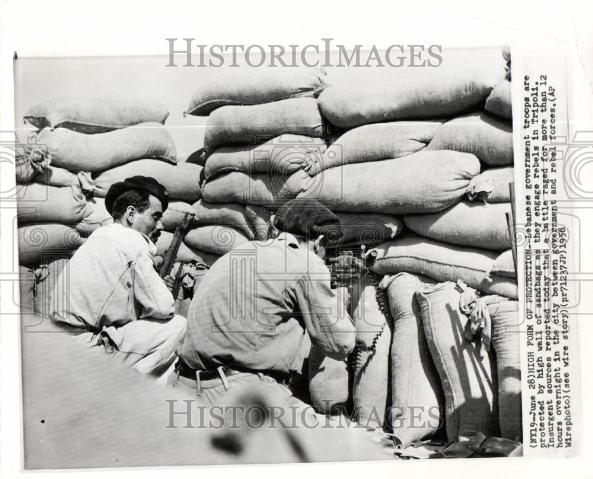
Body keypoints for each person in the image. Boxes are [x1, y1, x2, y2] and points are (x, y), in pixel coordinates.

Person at [173, 199, 357, 422]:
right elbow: (340, 343)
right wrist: (339, 293)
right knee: (343, 440)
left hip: (185, 389)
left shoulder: (237, 252)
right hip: (240, 395)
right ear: (319, 241)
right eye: (327, 252)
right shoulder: (306, 262)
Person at [49, 176, 187, 377]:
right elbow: (164, 307)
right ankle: (124, 391)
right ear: (131, 214)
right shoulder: (133, 241)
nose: (160, 227)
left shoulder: (99, 237)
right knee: (178, 326)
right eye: (155, 217)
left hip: (58, 344)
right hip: (85, 349)